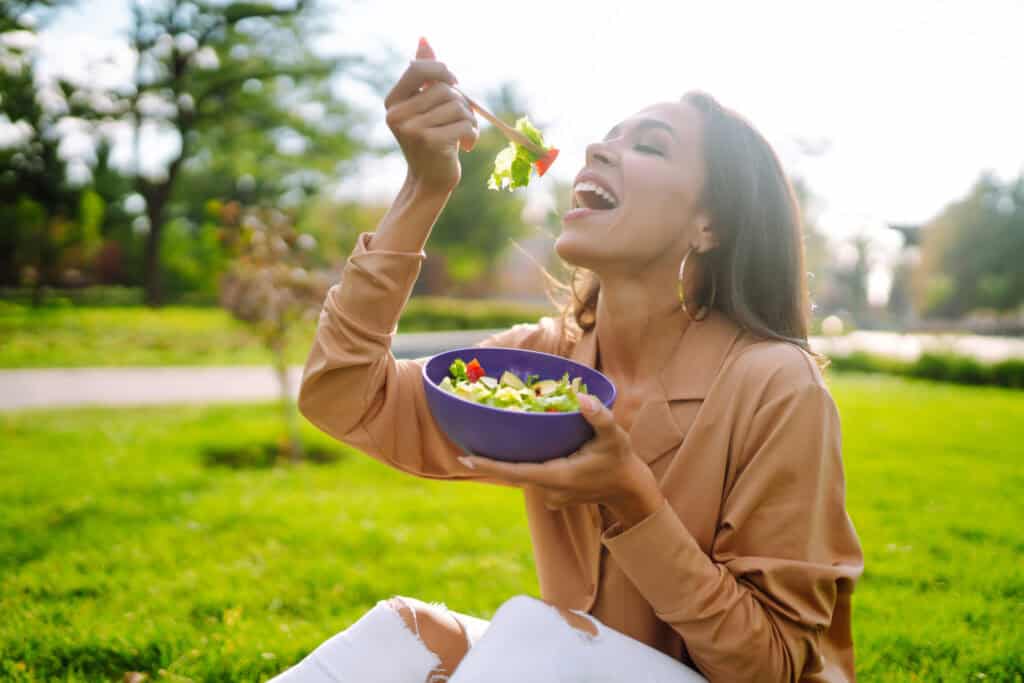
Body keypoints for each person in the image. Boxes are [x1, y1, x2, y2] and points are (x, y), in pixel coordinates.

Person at [269, 36, 864, 683]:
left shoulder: (776, 384)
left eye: (649, 145)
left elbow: (769, 666)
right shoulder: (544, 365)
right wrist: (423, 189)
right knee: (405, 633)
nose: (597, 150)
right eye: (607, 136)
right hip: (563, 659)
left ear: (709, 226)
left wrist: (632, 500)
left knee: (533, 632)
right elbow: (341, 394)